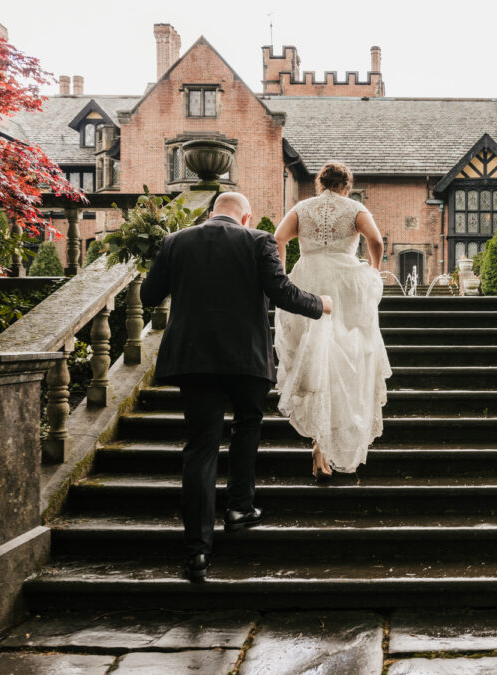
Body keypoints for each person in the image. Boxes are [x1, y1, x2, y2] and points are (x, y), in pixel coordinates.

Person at [140, 191, 332, 582]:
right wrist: (320, 304)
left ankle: (196, 552)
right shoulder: (258, 240)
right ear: (246, 218)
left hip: (193, 359)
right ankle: (240, 508)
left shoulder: (176, 241)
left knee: (201, 445)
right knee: (247, 425)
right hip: (245, 358)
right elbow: (281, 291)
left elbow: (147, 296)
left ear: (211, 214)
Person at [273, 162, 390, 480]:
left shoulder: (302, 207)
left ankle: (319, 445)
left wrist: (282, 275)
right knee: (344, 363)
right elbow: (376, 242)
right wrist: (373, 271)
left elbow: (278, 239)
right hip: (345, 286)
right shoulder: (354, 208)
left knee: (313, 362)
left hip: (308, 278)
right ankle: (328, 442)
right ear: (347, 186)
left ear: (319, 184)